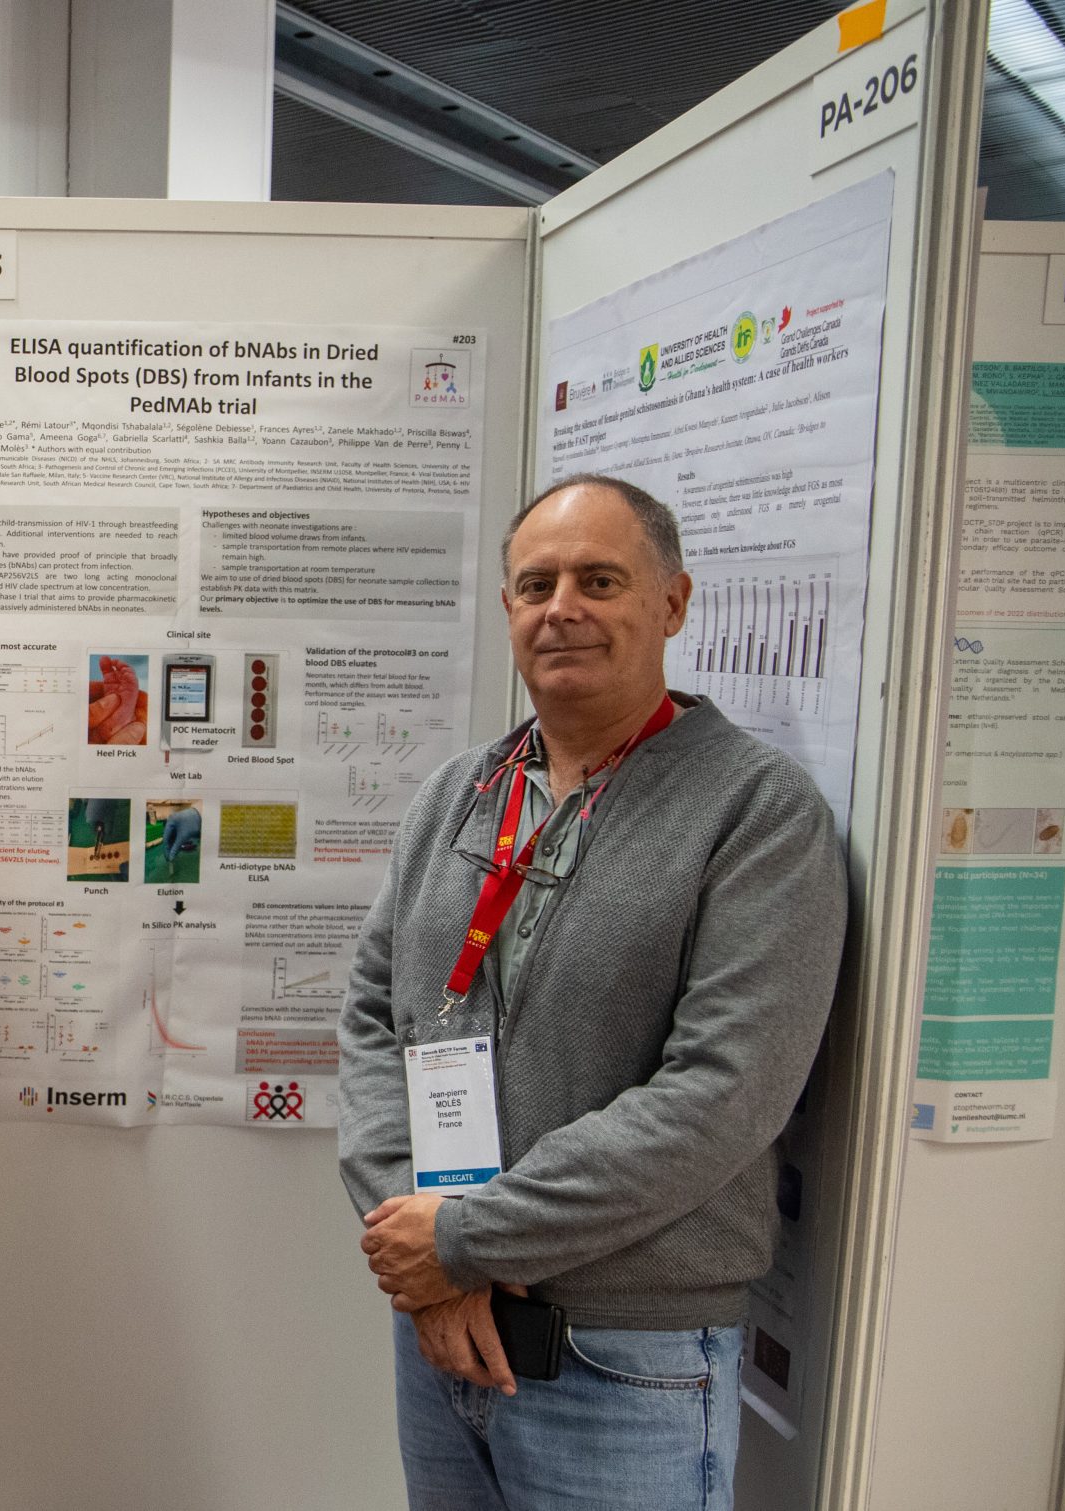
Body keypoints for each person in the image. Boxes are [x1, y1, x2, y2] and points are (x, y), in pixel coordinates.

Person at [337, 474, 848, 1510]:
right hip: (441, 1331)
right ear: (509, 610)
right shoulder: (456, 793)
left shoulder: (755, 811)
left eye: (599, 579)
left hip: (624, 1358)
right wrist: (421, 1242)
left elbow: (723, 1092)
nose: (561, 605)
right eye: (536, 582)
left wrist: (466, 1238)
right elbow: (371, 1015)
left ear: (671, 601)